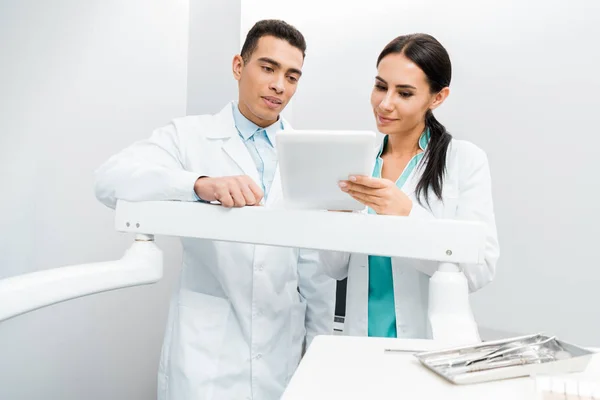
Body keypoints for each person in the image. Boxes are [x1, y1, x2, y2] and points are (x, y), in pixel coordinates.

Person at [94, 19, 336, 400]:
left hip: (281, 350)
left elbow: (314, 270)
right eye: (268, 68)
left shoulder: (306, 153)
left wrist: (321, 357)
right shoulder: (189, 136)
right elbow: (109, 181)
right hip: (206, 353)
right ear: (239, 66)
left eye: (292, 76)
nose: (279, 85)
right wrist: (196, 184)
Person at [323, 33, 500, 339]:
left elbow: (479, 270)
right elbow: (333, 268)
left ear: (437, 97)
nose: (385, 103)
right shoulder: (357, 163)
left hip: (430, 341)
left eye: (404, 93)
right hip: (360, 339)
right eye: (380, 86)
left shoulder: (464, 161)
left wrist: (406, 214)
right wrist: (336, 216)